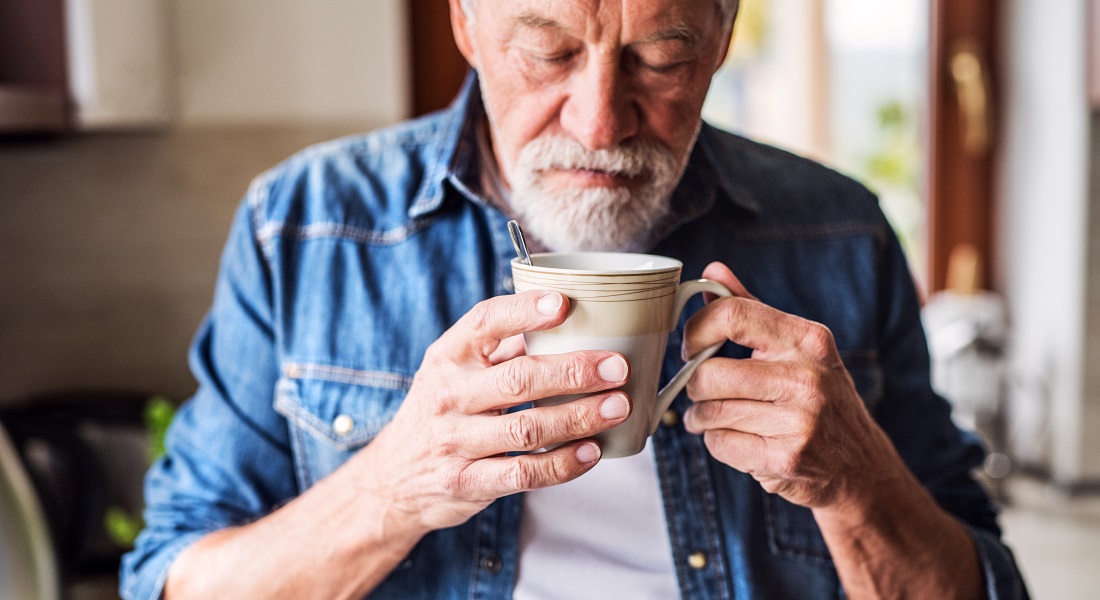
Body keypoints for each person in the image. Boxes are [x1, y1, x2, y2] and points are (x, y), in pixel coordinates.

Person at [121, 0, 1029, 598]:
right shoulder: (306, 227)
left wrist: (855, 483)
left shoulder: (839, 233)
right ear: (467, 26)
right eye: (547, 50)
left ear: (720, 37)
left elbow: (984, 584)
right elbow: (170, 579)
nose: (600, 121)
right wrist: (394, 486)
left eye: (661, 58)